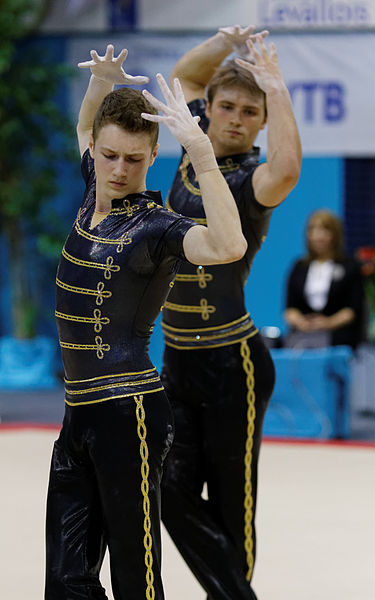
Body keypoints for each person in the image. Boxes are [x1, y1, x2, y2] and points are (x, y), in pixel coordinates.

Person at [44, 45, 247, 600]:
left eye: (133, 160)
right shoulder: (93, 191)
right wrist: (99, 86)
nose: (117, 170)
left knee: (137, 576)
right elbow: (89, 126)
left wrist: (203, 153)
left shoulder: (157, 226)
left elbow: (229, 245)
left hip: (127, 412)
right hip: (78, 413)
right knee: (65, 578)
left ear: (154, 155)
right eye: (109, 156)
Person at [158, 27, 302, 599]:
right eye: (227, 107)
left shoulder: (249, 182)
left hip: (232, 365)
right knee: (165, 489)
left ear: (261, 122)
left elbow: (288, 170)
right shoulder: (193, 147)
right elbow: (188, 75)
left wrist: (275, 84)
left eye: (250, 111)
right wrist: (225, 41)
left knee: (232, 508)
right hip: (177, 360)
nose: (237, 119)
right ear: (209, 112)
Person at [284, 209, 365, 349]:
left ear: (335, 234)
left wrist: (328, 323)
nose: (318, 236)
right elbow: (290, 309)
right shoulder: (299, 267)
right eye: (313, 230)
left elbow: (353, 309)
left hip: (338, 338)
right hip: (303, 337)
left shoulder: (350, 266)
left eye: (324, 230)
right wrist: (302, 322)